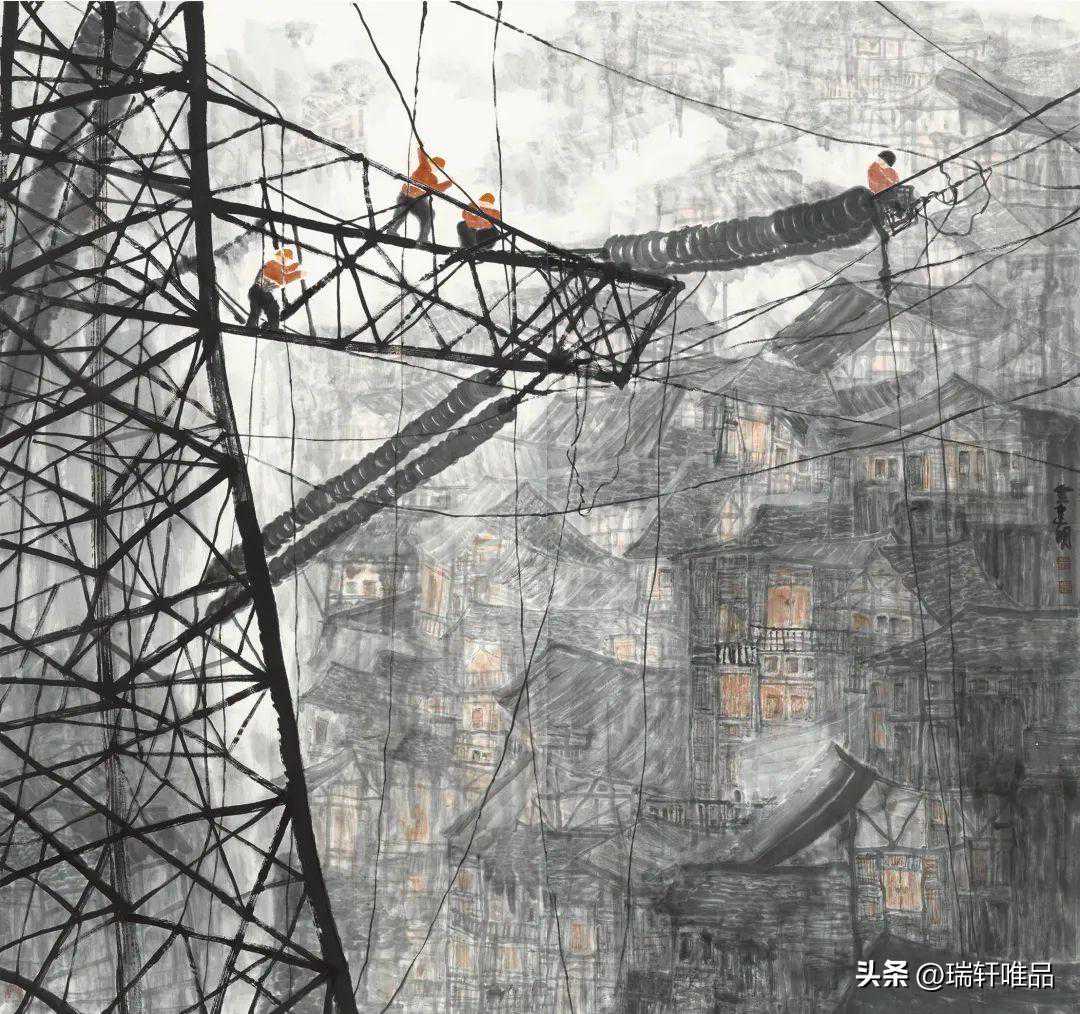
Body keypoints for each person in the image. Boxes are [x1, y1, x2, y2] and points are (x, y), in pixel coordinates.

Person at [385, 148, 452, 244]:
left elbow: (437, 189)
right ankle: (392, 230)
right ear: (431, 162)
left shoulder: (434, 179)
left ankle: (423, 238)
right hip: (406, 195)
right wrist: (421, 147)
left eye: (439, 168)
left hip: (419, 200)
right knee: (402, 211)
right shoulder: (424, 166)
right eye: (436, 166)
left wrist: (448, 183)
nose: (436, 169)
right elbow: (422, 156)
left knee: (430, 213)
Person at [246, 247, 303, 331]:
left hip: (255, 291)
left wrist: (297, 265)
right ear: (280, 257)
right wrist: (299, 274)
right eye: (286, 259)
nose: (286, 262)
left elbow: (287, 269)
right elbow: (283, 280)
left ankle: (251, 325)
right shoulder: (273, 264)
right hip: (261, 291)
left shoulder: (274, 264)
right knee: (273, 308)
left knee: (256, 311)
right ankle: (273, 328)